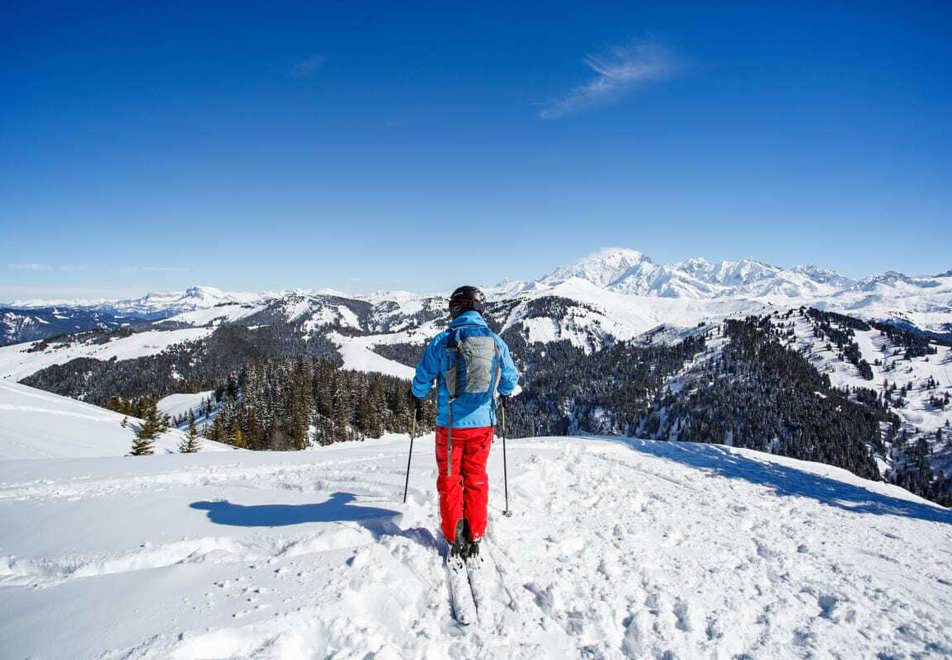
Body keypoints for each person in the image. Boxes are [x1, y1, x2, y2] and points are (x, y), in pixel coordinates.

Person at [410, 285, 519, 559]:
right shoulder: (496, 341)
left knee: (449, 480)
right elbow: (510, 379)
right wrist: (503, 393)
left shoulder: (442, 341)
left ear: (456, 308)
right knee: (476, 478)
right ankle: (476, 532)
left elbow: (423, 377)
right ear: (479, 309)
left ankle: (454, 533)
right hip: (483, 427)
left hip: (450, 427)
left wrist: (417, 394)